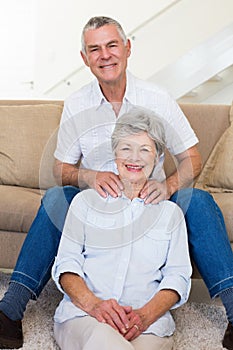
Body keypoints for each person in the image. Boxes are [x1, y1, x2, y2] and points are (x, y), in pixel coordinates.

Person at [0, 15, 232, 350]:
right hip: (99, 201)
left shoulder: (157, 97)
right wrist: (89, 176)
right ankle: (11, 310)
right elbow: (61, 168)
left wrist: (166, 187)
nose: (105, 55)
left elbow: (191, 158)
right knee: (56, 197)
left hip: (150, 196)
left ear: (127, 48)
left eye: (111, 45)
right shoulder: (77, 103)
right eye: (94, 49)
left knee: (199, 201)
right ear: (85, 59)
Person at [52, 108, 192, 350]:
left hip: (148, 324)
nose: (134, 158)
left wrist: (145, 315)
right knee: (105, 342)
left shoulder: (171, 214)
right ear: (114, 153)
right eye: (126, 148)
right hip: (85, 317)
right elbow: (66, 264)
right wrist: (95, 305)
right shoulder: (85, 203)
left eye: (145, 149)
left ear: (158, 156)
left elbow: (178, 277)